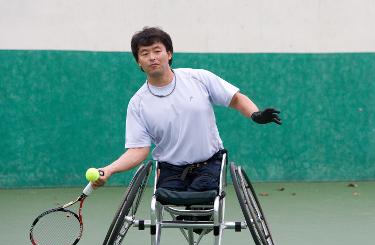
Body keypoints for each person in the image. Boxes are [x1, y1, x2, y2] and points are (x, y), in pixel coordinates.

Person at [92, 27, 281, 192]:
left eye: (157, 50)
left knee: (201, 208)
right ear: (138, 62)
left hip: (210, 164)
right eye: (144, 53)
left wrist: (255, 115)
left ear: (169, 53)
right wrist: (109, 169)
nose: (152, 57)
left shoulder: (198, 78)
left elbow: (236, 99)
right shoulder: (138, 103)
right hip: (170, 170)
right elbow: (138, 150)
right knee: (173, 204)